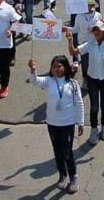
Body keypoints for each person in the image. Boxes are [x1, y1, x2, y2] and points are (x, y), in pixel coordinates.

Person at [28, 56, 84, 193]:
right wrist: (33, 70)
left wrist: (81, 122)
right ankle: (62, 175)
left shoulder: (72, 83)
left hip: (68, 124)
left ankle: (73, 177)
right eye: (54, 66)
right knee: (57, 152)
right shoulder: (48, 81)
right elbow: (34, 81)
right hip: (52, 124)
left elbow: (79, 103)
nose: (56, 69)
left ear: (65, 67)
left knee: (67, 152)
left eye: (59, 66)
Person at [66, 20, 104, 145]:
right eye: (95, 29)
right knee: (94, 106)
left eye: (99, 30)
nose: (96, 32)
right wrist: (69, 41)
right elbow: (73, 52)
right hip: (92, 80)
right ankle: (94, 129)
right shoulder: (90, 44)